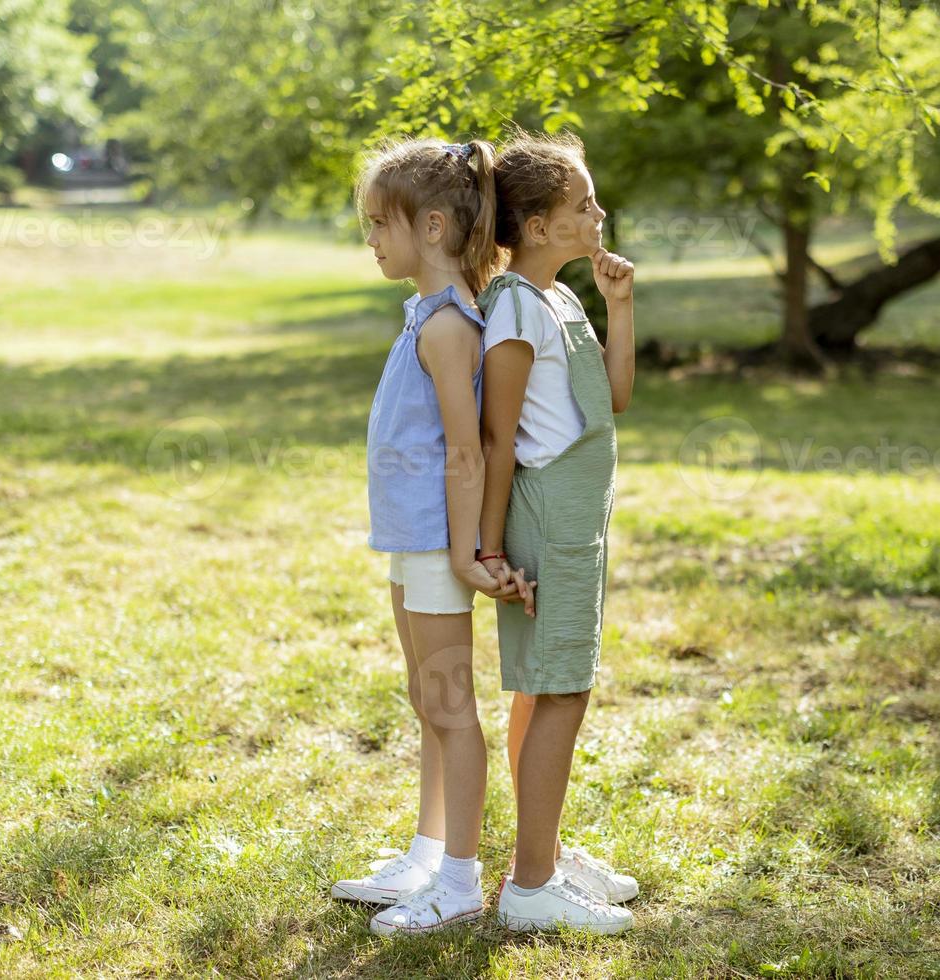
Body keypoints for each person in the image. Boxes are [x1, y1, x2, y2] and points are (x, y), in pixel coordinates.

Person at [331, 137, 525, 936]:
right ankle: (425, 854)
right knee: (426, 699)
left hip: (437, 545)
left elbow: (467, 447)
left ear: (435, 226)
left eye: (382, 222)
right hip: (410, 538)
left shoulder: (450, 326)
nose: (372, 238)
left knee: (450, 705)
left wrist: (466, 552)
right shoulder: (425, 312)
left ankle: (459, 881)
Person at [476, 131, 640, 934]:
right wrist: (491, 547)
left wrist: (621, 307)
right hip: (549, 520)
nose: (599, 213)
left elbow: (615, 398)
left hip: (580, 519)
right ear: (537, 227)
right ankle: (531, 885)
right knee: (562, 689)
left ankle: (541, 851)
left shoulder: (562, 298)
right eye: (584, 204)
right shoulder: (512, 306)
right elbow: (496, 438)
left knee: (543, 683)